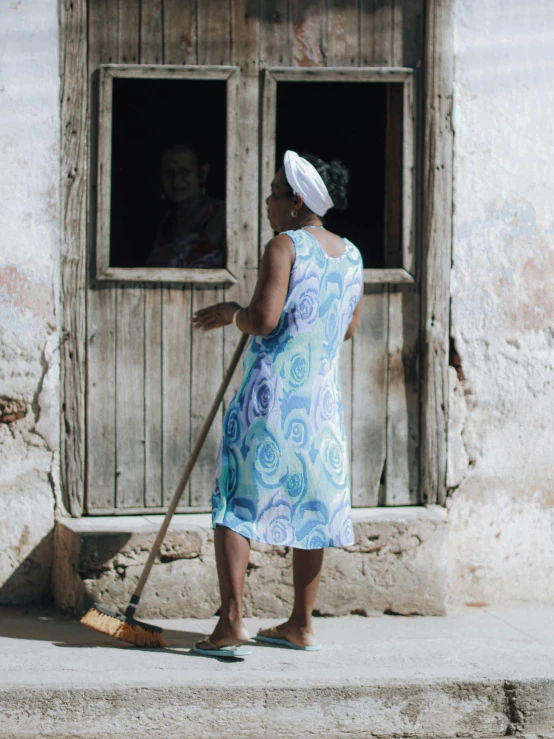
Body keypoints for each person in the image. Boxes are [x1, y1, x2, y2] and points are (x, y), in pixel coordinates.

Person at [191, 151, 364, 657]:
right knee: (312, 508)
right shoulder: (352, 255)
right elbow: (347, 328)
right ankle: (301, 624)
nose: (266, 202)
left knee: (235, 503)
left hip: (269, 401)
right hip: (321, 408)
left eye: (272, 193)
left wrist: (232, 313)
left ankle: (230, 624)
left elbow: (264, 320)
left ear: (294, 201)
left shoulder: (284, 246)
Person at [145, 144, 225, 268]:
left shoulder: (221, 216)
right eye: (169, 173)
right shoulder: (165, 222)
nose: (176, 180)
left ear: (203, 173)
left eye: (184, 172)